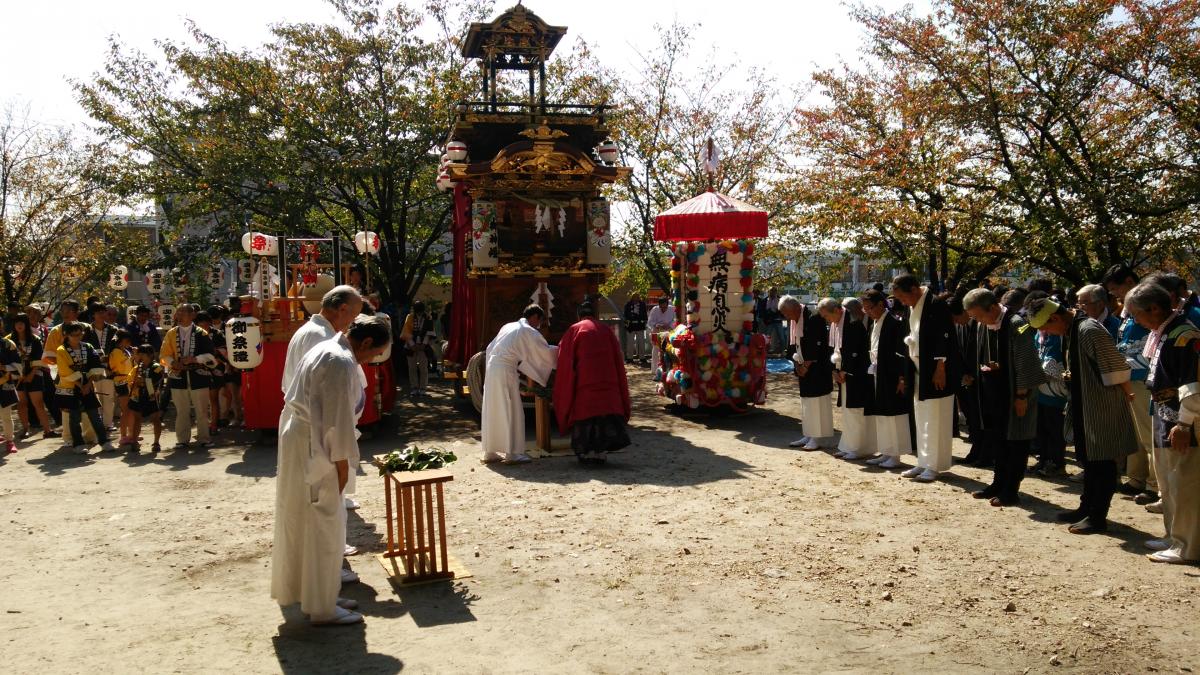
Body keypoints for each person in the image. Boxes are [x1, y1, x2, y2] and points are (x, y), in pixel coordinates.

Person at [271, 314, 390, 626]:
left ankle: (318, 594)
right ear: (365, 342)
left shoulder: (327, 349)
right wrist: (341, 468)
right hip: (316, 445)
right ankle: (322, 606)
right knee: (325, 523)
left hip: (304, 437)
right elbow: (336, 424)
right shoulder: (338, 361)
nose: (373, 360)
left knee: (309, 522)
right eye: (374, 353)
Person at [1029, 296, 1136, 533]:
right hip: (1083, 402)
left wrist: (1125, 395)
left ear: (1055, 317)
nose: (1047, 332)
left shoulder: (1088, 329)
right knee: (1089, 459)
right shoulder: (1073, 328)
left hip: (1101, 403)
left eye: (1046, 327)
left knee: (1103, 460)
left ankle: (1098, 517)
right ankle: (1085, 507)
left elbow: (1116, 366)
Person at [1123, 282, 1200, 563]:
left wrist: (1184, 424)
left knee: (1185, 484)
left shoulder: (1184, 334)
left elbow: (1193, 384)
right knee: (1168, 482)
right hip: (1163, 416)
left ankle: (1187, 545)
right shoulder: (1164, 333)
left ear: (1153, 308)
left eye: (1136, 314)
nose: (1134, 320)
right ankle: (1172, 535)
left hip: (1182, 422)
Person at [963, 289, 1045, 506]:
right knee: (998, 441)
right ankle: (997, 483)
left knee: (1016, 443)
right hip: (993, 393)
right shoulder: (983, 325)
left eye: (979, 315)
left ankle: (1011, 489)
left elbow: (1026, 361)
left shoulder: (1017, 324)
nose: (977, 320)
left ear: (992, 307)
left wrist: (1022, 395)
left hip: (1016, 394)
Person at [891, 274, 961, 482]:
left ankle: (935, 465)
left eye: (903, 297)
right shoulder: (910, 306)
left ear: (914, 289)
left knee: (936, 416)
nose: (902, 302)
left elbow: (945, 336)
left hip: (936, 368)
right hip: (916, 367)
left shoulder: (936, 304)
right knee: (921, 417)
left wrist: (941, 368)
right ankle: (923, 461)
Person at [1102, 265, 1158, 506]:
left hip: (1145, 378)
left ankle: (1154, 485)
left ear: (1128, 281)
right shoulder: (1126, 310)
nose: (1114, 295)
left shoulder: (1146, 302)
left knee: (1149, 434)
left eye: (1116, 289)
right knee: (1134, 432)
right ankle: (1136, 478)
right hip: (1129, 377)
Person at [554, 301, 632, 465]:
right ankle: (600, 453)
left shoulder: (574, 330)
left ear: (579, 315)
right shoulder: (606, 330)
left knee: (586, 421)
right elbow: (618, 359)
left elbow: (565, 359)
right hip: (608, 385)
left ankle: (586, 453)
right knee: (604, 420)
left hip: (586, 385)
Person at [481, 304, 558, 464]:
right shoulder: (527, 330)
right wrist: (560, 350)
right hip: (505, 370)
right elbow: (542, 351)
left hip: (492, 367)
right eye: (540, 322)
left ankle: (490, 451)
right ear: (535, 317)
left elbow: (490, 347)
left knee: (493, 407)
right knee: (511, 409)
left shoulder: (507, 326)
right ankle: (512, 453)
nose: (539, 326)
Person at [860, 289, 912, 469]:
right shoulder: (875, 322)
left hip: (892, 374)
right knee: (881, 413)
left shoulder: (894, 322)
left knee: (893, 414)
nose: (867, 312)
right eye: (865, 309)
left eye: (870, 308)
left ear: (881, 305)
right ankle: (886, 450)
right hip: (877, 372)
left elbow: (901, 353)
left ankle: (895, 454)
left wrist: (901, 378)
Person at [821, 298, 874, 460]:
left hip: (856, 374)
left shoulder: (854, 324)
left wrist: (845, 370)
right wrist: (834, 370)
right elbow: (832, 349)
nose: (826, 320)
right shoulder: (835, 326)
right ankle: (849, 445)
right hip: (842, 372)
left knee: (856, 411)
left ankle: (859, 448)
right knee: (847, 411)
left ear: (837, 310)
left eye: (827, 316)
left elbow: (857, 351)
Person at [159, 304, 218, 450]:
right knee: (181, 410)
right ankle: (182, 439)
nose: (179, 315)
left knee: (202, 410)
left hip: (198, 376)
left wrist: (195, 359)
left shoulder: (201, 333)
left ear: (192, 315)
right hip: (178, 376)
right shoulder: (171, 333)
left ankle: (204, 438)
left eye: (183, 312)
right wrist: (173, 363)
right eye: (178, 312)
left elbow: (211, 356)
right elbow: (163, 354)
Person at [55, 322, 116, 454]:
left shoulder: (88, 347)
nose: (77, 337)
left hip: (88, 386)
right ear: (67, 335)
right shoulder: (61, 350)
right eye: (74, 335)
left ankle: (104, 441)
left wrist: (88, 384)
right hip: (72, 387)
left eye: (80, 334)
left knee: (95, 415)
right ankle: (78, 444)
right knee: (74, 417)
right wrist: (80, 385)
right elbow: (64, 371)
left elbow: (96, 365)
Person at [789, 297, 834, 450]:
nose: (786, 317)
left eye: (786, 313)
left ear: (795, 309)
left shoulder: (814, 318)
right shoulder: (794, 321)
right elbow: (793, 346)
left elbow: (817, 346)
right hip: (802, 367)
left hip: (817, 369)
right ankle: (808, 433)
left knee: (817, 403)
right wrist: (797, 365)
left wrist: (806, 366)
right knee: (806, 402)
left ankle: (817, 437)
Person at [9, 314, 56, 440]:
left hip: (34, 375)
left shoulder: (35, 339)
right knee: (22, 404)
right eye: (16, 323)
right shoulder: (9, 340)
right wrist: (18, 374)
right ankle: (25, 429)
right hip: (16, 377)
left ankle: (48, 430)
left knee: (38, 403)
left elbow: (39, 359)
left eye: (22, 323)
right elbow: (7, 360)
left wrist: (31, 374)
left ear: (26, 324)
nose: (19, 325)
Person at [126, 344, 166, 453]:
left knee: (155, 419)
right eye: (139, 354)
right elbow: (130, 380)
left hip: (152, 396)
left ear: (150, 355)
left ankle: (156, 442)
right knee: (137, 419)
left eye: (142, 354)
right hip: (139, 395)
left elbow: (157, 380)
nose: (140, 356)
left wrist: (143, 381)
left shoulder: (156, 367)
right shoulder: (138, 367)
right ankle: (134, 441)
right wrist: (135, 383)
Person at [83, 304, 118, 431]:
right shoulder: (86, 330)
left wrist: (111, 365)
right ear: (93, 315)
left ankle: (108, 424)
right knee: (95, 398)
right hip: (91, 369)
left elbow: (117, 349)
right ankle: (96, 424)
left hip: (109, 368)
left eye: (104, 312)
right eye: (99, 313)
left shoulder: (114, 330)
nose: (102, 315)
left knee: (108, 397)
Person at [400, 300, 435, 398]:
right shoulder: (410, 317)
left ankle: (423, 388)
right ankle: (414, 388)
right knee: (412, 368)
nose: (419, 313)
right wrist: (412, 345)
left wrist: (423, 344)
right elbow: (406, 331)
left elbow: (430, 332)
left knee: (423, 368)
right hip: (411, 345)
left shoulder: (428, 317)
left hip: (424, 346)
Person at [108, 330, 136, 448]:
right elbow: (121, 366)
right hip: (121, 381)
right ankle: (124, 435)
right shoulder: (116, 351)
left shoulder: (125, 351)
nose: (128, 343)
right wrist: (133, 356)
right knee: (126, 410)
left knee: (131, 409)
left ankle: (131, 433)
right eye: (126, 340)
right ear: (120, 341)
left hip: (128, 380)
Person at [0, 320, 20, 454]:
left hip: (4, 382)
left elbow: (18, 366)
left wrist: (4, 367)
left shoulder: (8, 344)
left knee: (6, 415)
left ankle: (9, 440)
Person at [647, 296, 676, 375]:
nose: (663, 309)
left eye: (665, 307)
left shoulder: (672, 309)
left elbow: (675, 320)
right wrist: (656, 325)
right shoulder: (655, 309)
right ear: (659, 305)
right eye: (661, 307)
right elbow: (650, 322)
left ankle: (667, 369)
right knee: (656, 350)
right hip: (657, 331)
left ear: (667, 304)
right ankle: (655, 370)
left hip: (668, 331)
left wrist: (670, 325)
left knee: (668, 350)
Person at [622, 293, 648, 365]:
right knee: (630, 342)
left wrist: (645, 321)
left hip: (640, 325)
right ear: (632, 297)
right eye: (634, 297)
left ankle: (642, 357)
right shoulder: (628, 304)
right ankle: (630, 358)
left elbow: (645, 314)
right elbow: (625, 315)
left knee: (641, 342)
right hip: (631, 326)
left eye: (637, 297)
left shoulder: (642, 304)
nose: (636, 298)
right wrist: (627, 323)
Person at [760, 287, 788, 355]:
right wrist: (765, 319)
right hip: (769, 321)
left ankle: (782, 351)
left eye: (774, 291)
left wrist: (779, 314)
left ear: (776, 292)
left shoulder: (780, 299)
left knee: (781, 337)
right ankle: (765, 351)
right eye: (771, 291)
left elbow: (783, 309)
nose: (772, 293)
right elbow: (763, 311)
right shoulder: (765, 300)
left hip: (778, 320)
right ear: (769, 292)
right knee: (767, 337)